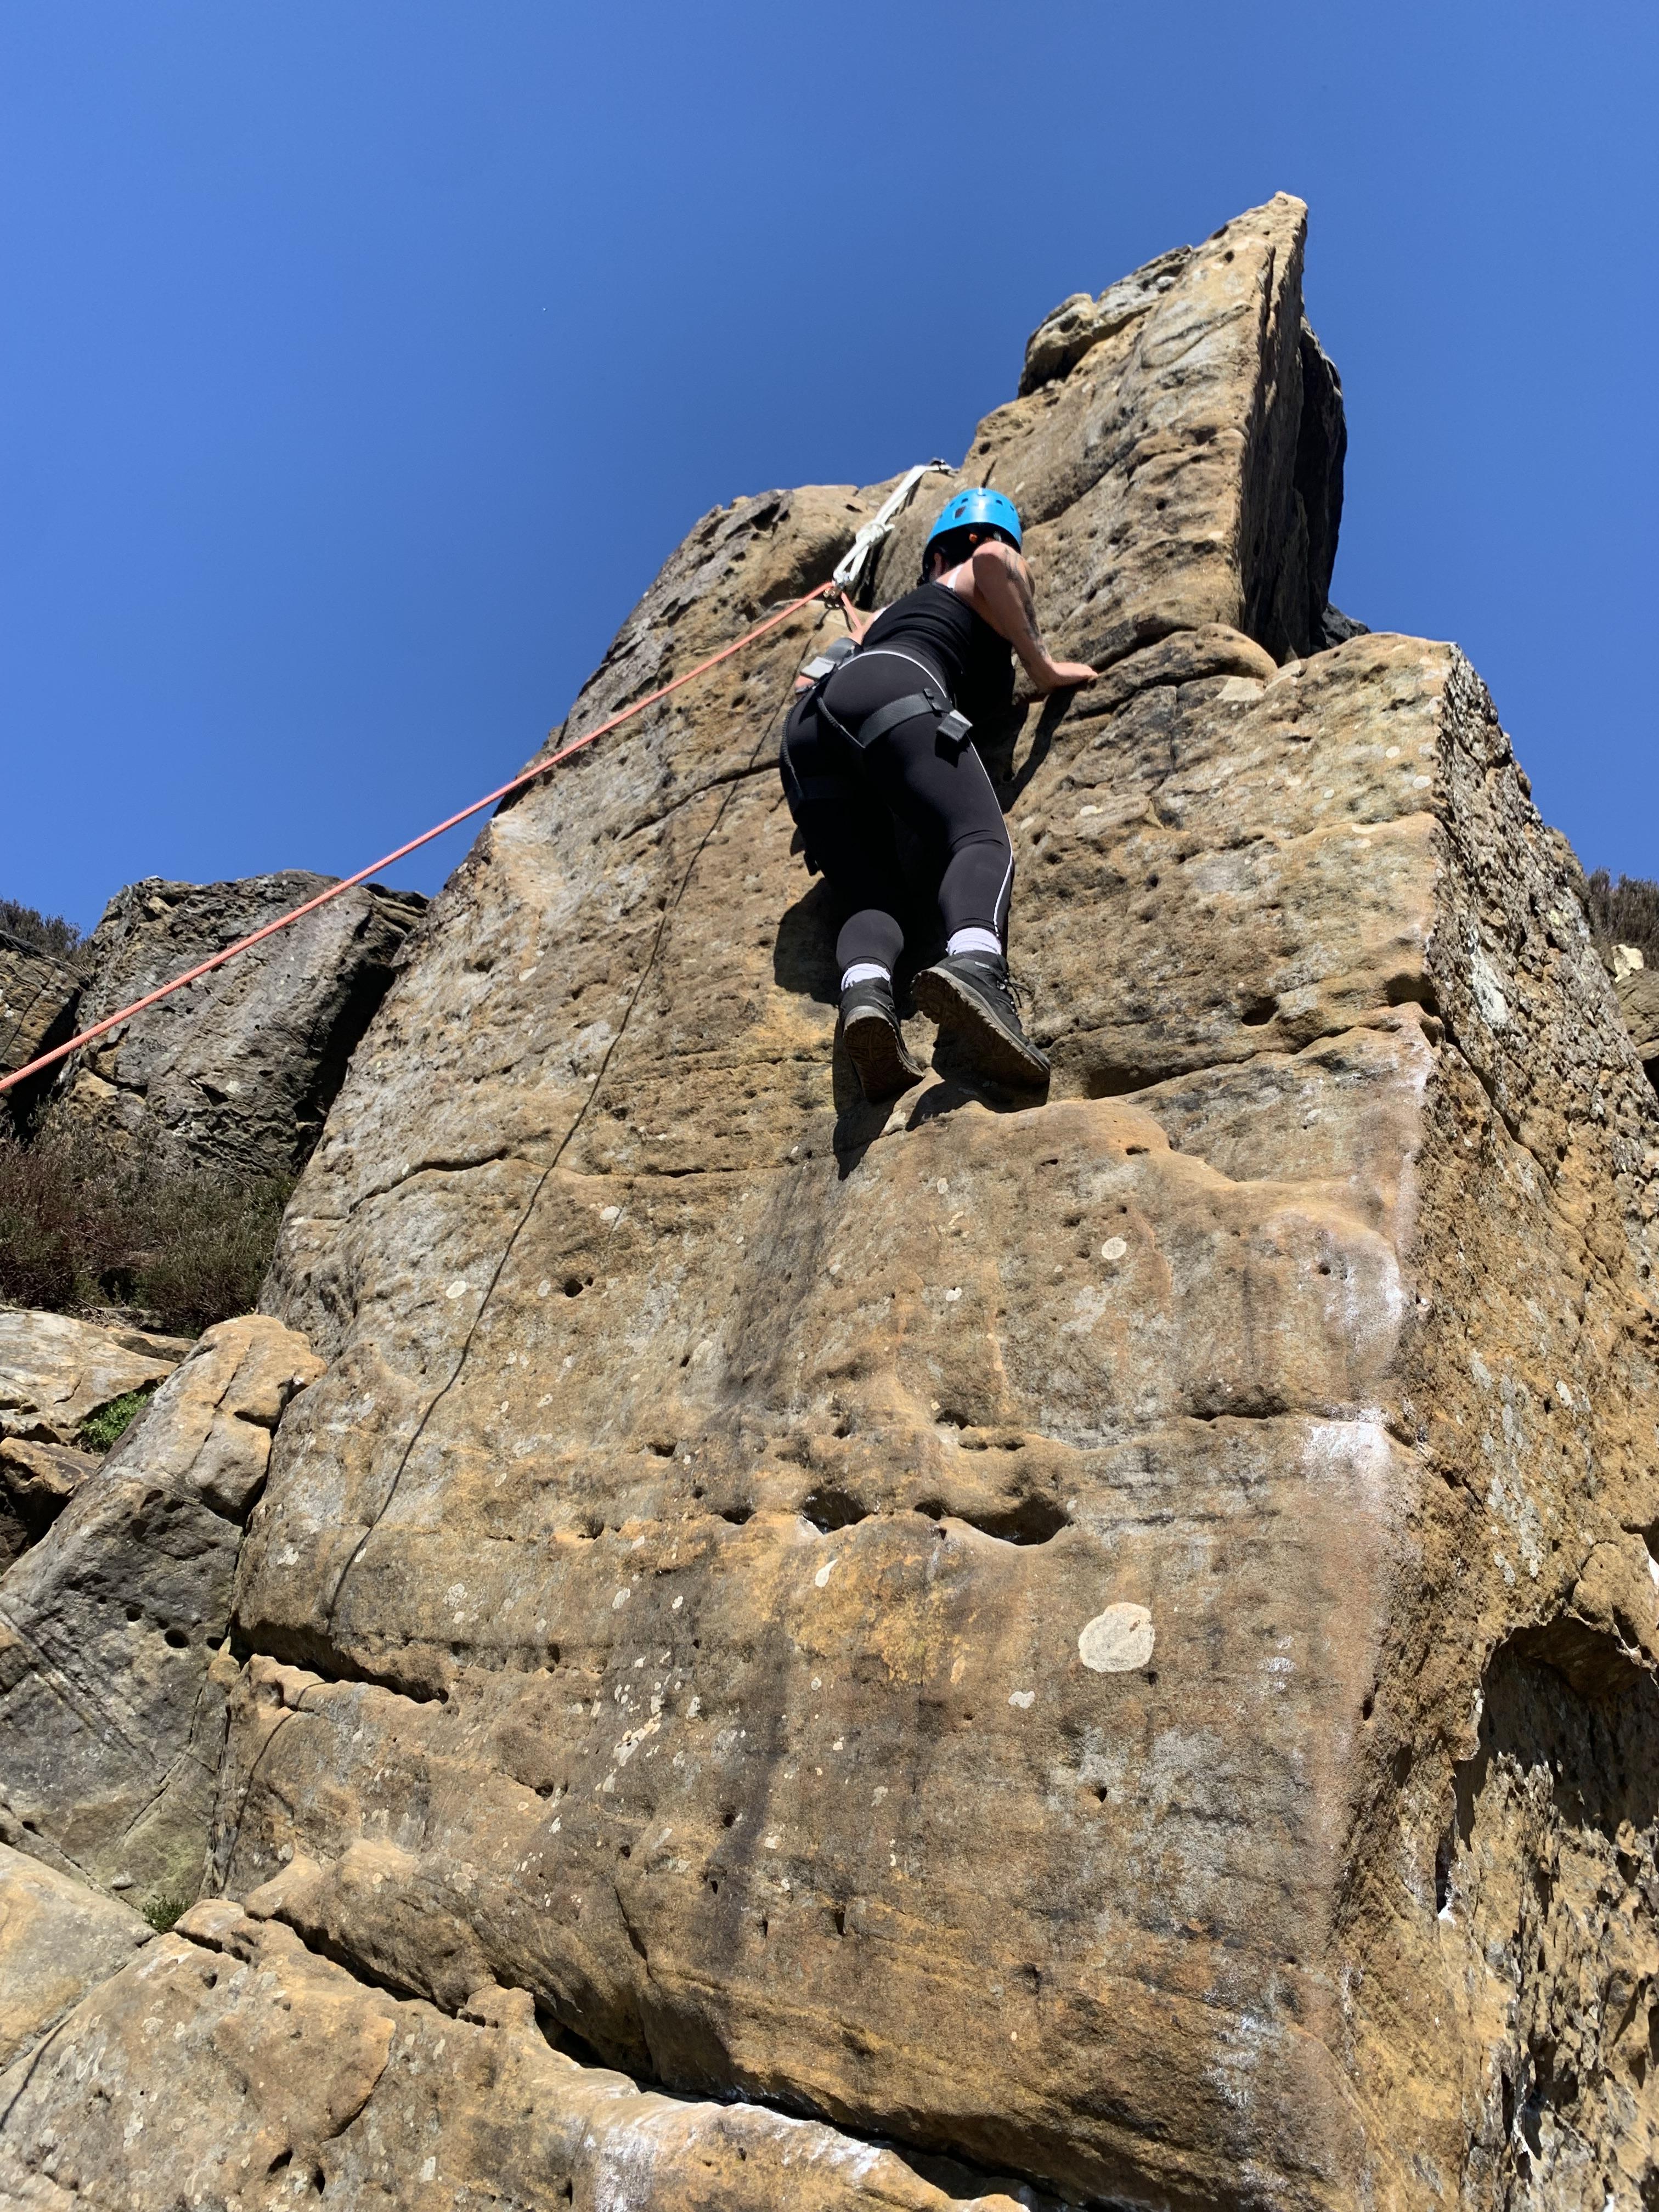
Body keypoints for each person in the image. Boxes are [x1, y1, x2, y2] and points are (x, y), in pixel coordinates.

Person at [779, 487, 1095, 1100]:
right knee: (978, 839)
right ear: (973, 544)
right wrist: (1043, 667)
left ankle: (866, 997)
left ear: (932, 557)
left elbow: (809, 675)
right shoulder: (976, 568)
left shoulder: (886, 615)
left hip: (809, 731)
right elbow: (994, 564)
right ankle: (976, 964)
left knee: (873, 897)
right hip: (894, 688)